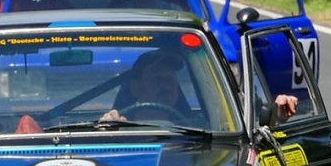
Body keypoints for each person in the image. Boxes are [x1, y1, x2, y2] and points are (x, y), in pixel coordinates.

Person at [101, 49, 298, 124]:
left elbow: (250, 131)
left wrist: (277, 116)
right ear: (136, 88)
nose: (166, 86)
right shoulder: (118, 126)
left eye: (170, 79)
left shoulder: (203, 128)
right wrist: (107, 129)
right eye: (157, 79)